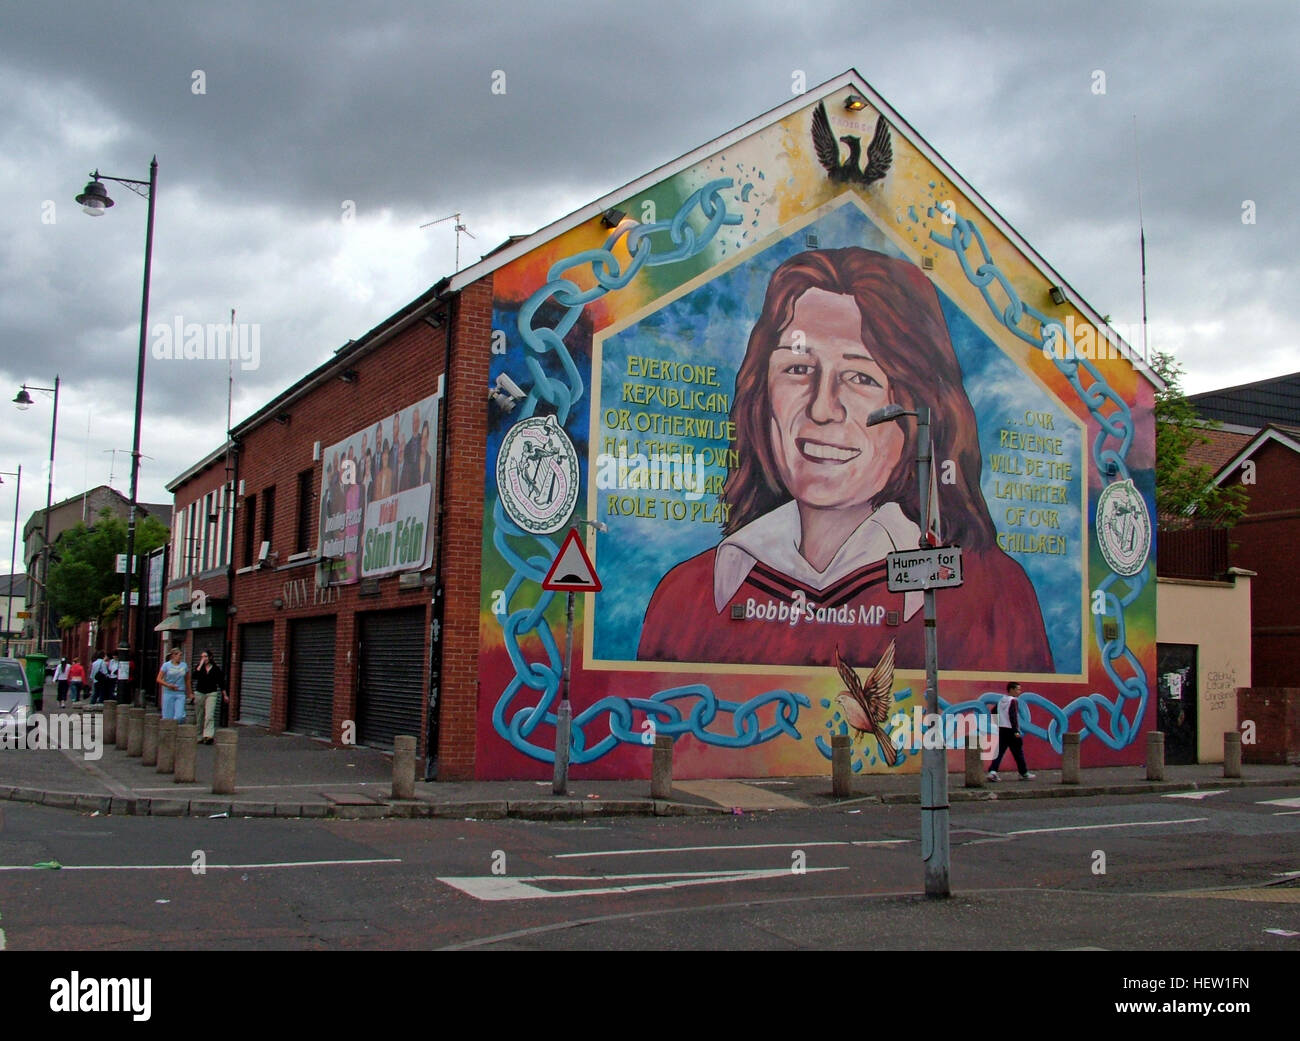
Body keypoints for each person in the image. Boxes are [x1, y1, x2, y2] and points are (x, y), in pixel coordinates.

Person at [637, 247, 1053, 672]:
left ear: (919, 406)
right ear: (762, 396)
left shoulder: (988, 595)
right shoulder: (691, 595)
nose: (822, 408)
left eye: (860, 377)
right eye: (798, 369)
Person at [986, 681, 1035, 781]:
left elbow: (993, 711)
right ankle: (1024, 773)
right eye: (1017, 689)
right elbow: (1013, 716)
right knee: (1018, 752)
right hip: (1011, 730)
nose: (1019, 692)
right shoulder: (1013, 701)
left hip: (1002, 729)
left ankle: (992, 771)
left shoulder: (1001, 701)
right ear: (1011, 690)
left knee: (999, 751)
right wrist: (1016, 731)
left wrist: (998, 723)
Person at [190, 650, 227, 744]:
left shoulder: (216, 669)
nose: (204, 658)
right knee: (200, 715)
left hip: (211, 693)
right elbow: (194, 676)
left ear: (210, 657)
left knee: (209, 715)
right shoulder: (199, 668)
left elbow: (221, 682)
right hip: (200, 693)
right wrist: (200, 665)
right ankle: (199, 735)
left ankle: (208, 736)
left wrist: (225, 694)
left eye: (205, 656)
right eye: (202, 657)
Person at [156, 646, 190, 722]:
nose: (180, 657)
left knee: (179, 716)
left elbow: (187, 679)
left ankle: (178, 727)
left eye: (181, 655)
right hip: (169, 692)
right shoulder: (166, 665)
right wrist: (168, 685)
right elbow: (158, 679)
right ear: (173, 656)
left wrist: (190, 693)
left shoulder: (184, 665)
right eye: (179, 655)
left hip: (180, 692)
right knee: (168, 717)